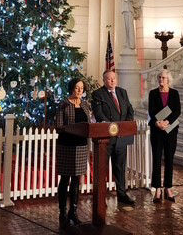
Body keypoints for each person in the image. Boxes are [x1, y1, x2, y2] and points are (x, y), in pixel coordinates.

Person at [91, 70, 135, 206]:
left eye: (113, 78)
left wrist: (124, 126)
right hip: (106, 139)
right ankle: (100, 198)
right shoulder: (98, 94)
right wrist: (113, 128)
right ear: (104, 81)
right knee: (102, 168)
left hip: (121, 138)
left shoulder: (122, 92)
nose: (112, 81)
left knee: (120, 168)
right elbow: (99, 115)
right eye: (109, 79)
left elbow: (129, 110)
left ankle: (122, 194)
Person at [55, 78, 93, 229]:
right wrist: (74, 129)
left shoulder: (85, 105)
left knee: (77, 180)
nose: (79, 90)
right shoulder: (64, 104)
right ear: (71, 88)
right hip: (67, 146)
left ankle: (73, 212)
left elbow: (88, 124)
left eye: (81, 88)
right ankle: (62, 213)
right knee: (65, 180)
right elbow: (59, 126)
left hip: (81, 147)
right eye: (77, 87)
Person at [148, 69, 180, 203]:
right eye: (159, 77)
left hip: (171, 129)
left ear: (168, 80)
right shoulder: (153, 93)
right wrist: (158, 123)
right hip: (157, 129)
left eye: (164, 78)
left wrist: (167, 122)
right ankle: (157, 190)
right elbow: (152, 110)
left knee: (169, 159)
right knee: (156, 159)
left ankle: (168, 188)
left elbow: (177, 110)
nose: (161, 80)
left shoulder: (174, 93)